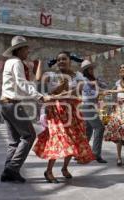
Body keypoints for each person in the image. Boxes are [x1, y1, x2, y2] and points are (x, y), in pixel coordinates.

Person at [33, 51, 95, 183]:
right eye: (59, 59)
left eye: (64, 59)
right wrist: (39, 64)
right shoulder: (51, 75)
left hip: (73, 112)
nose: (61, 61)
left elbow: (76, 91)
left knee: (73, 140)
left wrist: (58, 94)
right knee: (58, 139)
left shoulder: (78, 76)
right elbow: (38, 80)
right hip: (56, 112)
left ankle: (65, 168)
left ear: (69, 61)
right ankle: (48, 171)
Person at [0, 36, 51, 183]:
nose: (28, 51)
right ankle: (12, 169)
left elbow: (22, 84)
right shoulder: (17, 63)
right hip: (13, 104)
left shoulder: (10, 62)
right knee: (29, 135)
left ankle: (7, 172)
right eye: (26, 48)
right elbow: (22, 83)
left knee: (14, 142)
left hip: (5, 104)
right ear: (20, 49)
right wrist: (40, 97)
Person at [80, 60, 108, 163]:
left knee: (88, 130)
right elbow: (93, 94)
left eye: (92, 68)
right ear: (86, 70)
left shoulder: (93, 80)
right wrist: (97, 86)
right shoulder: (84, 80)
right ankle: (96, 154)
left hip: (90, 106)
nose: (92, 70)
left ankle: (81, 153)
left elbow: (105, 86)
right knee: (99, 128)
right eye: (89, 69)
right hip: (87, 106)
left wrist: (97, 82)